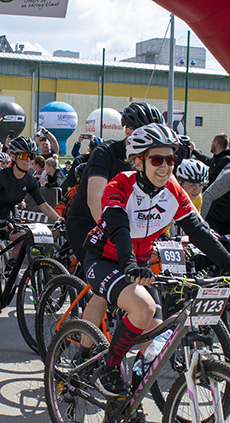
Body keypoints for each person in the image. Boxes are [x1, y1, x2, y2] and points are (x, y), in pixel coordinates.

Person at [83, 124, 230, 423]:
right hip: (105, 258)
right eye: (158, 159)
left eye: (171, 160)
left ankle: (129, 404)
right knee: (144, 307)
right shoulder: (121, 185)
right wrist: (129, 264)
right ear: (139, 161)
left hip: (139, 263)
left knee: (153, 342)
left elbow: (198, 230)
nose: (166, 167)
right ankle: (108, 367)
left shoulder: (173, 191)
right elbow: (119, 228)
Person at [65, 102, 165, 360]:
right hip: (88, 223)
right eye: (145, 131)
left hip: (127, 229)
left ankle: (144, 366)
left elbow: (170, 200)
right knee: (104, 285)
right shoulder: (106, 153)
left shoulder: (153, 160)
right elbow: (95, 199)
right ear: (128, 131)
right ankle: (83, 353)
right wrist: (119, 242)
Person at [0, 136, 61, 328]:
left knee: (24, 236)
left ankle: (11, 266)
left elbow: (44, 205)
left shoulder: (29, 180)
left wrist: (60, 220)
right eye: (24, 156)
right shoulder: (3, 176)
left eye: (31, 156)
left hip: (5, 220)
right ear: (13, 156)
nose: (28, 159)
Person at [163, 158, 208, 237]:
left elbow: (194, 226)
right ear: (179, 182)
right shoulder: (167, 197)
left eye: (201, 185)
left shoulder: (197, 198)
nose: (197, 190)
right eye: (191, 185)